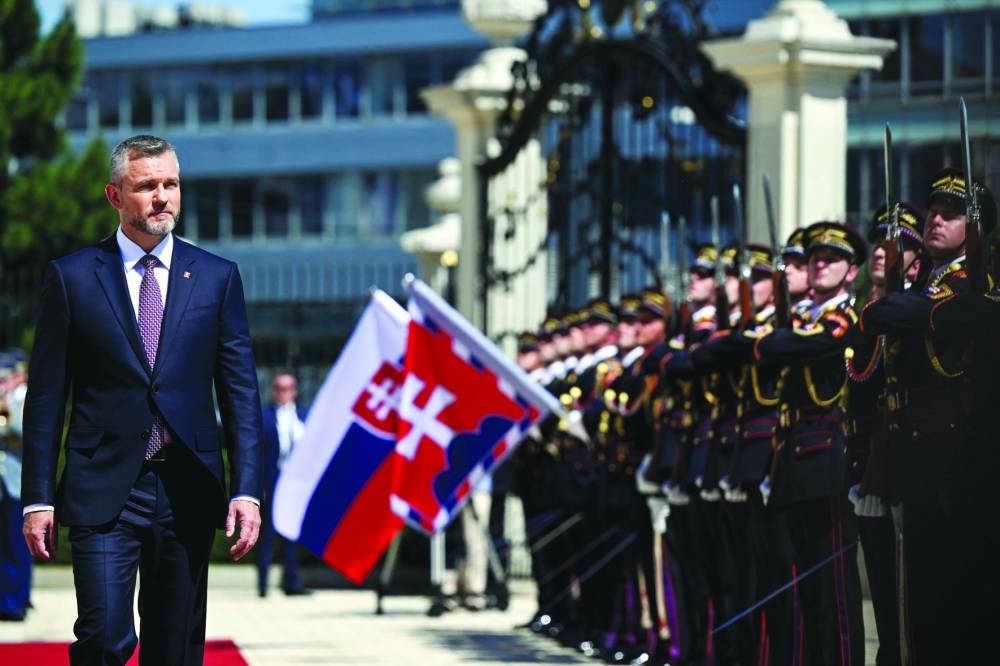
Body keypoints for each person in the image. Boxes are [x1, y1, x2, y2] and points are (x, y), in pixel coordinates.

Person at [21, 134, 263, 666]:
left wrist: (246, 489)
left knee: (174, 649)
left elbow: (241, 392)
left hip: (187, 486)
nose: (162, 197)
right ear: (114, 196)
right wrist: (38, 497)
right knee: (105, 637)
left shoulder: (218, 278)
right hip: (102, 484)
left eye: (170, 184)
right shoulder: (72, 278)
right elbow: (44, 398)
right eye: (146, 186)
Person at [258, 373, 311, 597]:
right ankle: (263, 585)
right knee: (267, 533)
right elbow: (258, 454)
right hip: (273, 480)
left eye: (288, 388)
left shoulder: (304, 416)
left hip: (296, 482)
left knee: (291, 532)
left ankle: (291, 582)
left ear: (295, 390)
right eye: (279, 388)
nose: (283, 392)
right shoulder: (265, 416)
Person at [0, 350, 31, 622]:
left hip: (16, 482)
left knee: (16, 545)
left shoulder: (24, 397)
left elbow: (22, 429)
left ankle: (16, 601)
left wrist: (6, 402)